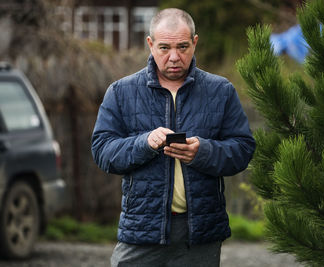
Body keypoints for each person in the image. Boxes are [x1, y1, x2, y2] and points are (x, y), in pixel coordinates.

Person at [91, 8, 255, 267]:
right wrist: (143, 143)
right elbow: (102, 151)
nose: (174, 57)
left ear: (195, 42)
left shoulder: (221, 91)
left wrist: (203, 152)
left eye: (182, 47)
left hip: (200, 233)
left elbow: (243, 149)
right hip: (143, 228)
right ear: (150, 44)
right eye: (165, 48)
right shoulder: (121, 92)